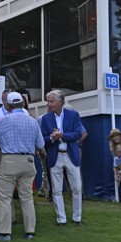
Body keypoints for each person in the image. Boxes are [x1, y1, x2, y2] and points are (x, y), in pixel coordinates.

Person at [0, 93, 46, 241]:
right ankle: (30, 232)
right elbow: (40, 144)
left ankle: (4, 233)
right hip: (28, 160)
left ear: (8, 105)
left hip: (10, 160)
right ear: (22, 103)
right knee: (27, 198)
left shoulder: (5, 120)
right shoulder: (33, 121)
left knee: (4, 197)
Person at [40, 89, 86, 226]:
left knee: (76, 187)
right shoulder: (45, 118)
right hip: (55, 155)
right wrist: (52, 138)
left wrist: (63, 135)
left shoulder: (73, 115)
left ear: (60, 102)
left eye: (51, 101)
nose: (48, 104)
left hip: (70, 154)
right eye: (48, 101)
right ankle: (61, 219)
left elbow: (78, 134)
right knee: (56, 189)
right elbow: (42, 138)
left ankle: (77, 218)